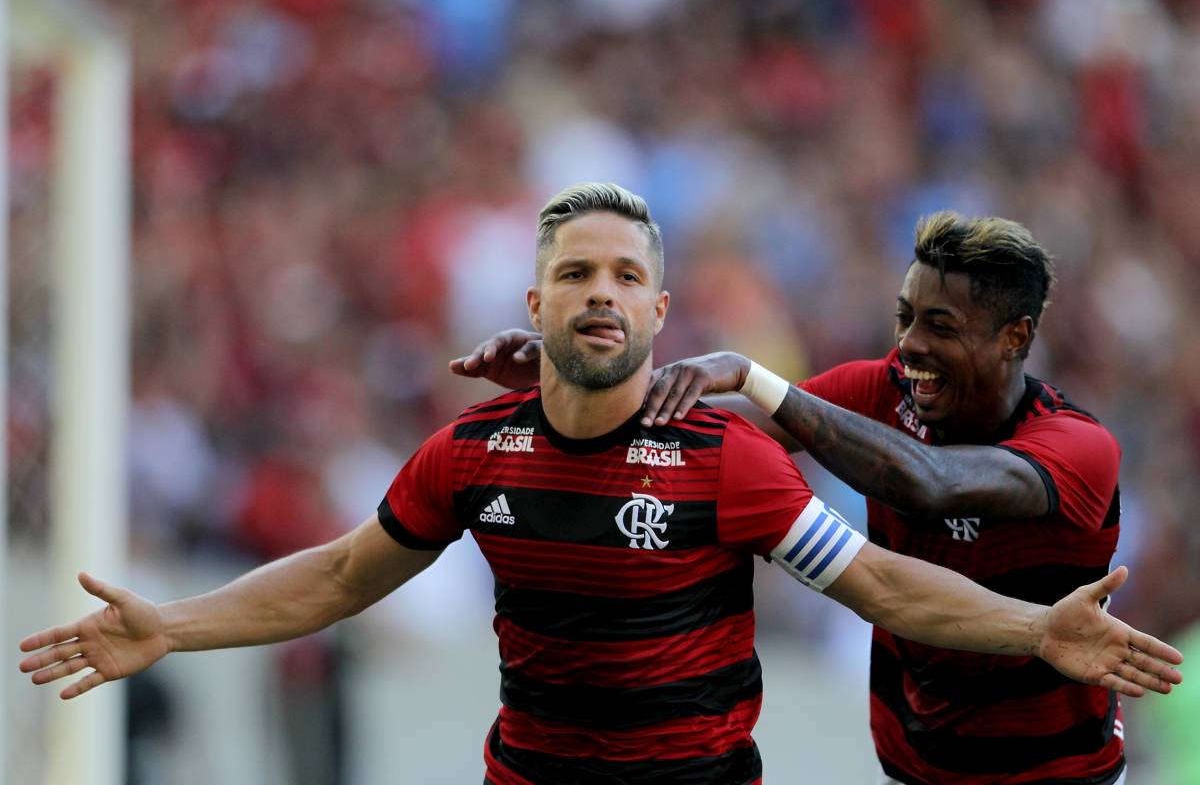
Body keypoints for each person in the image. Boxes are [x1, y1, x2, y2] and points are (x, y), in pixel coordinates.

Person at [22, 187, 1181, 785]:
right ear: (533, 304)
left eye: (628, 275)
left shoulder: (729, 458)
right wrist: (167, 624)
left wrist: (1040, 626)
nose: (602, 292)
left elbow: (883, 575)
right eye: (575, 272)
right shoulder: (474, 452)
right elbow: (335, 574)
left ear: (661, 313)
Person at [455, 211, 1161, 784]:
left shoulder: (1078, 448)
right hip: (914, 766)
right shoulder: (882, 392)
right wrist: (569, 376)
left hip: (1060, 773)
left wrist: (759, 378)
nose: (910, 346)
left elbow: (932, 482)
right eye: (905, 316)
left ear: (1015, 337)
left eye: (941, 327)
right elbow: (693, 447)